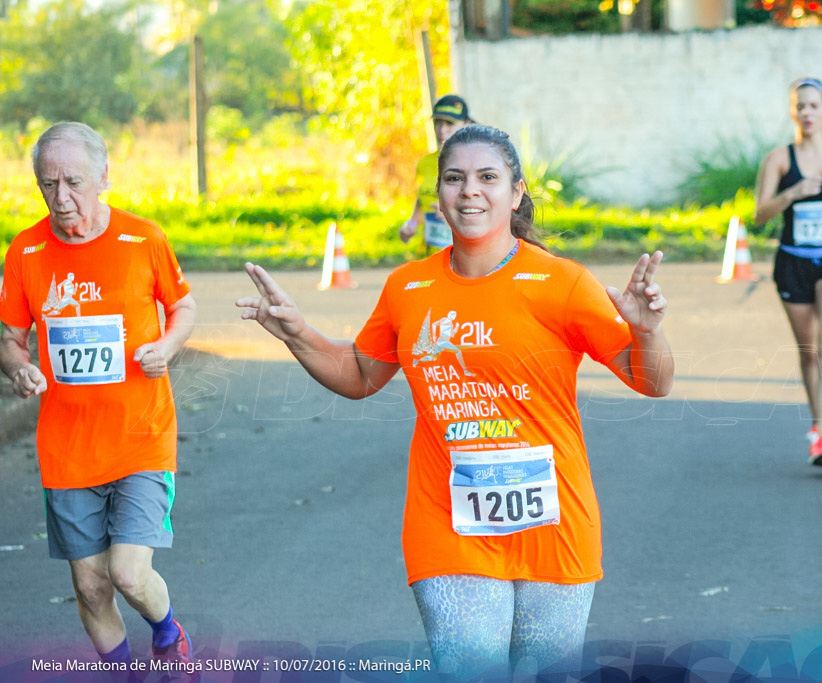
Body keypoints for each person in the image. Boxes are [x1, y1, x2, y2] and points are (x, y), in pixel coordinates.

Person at [237, 124, 674, 680]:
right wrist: (298, 334)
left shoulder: (561, 283)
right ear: (438, 194)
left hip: (555, 524)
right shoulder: (408, 288)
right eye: (455, 178)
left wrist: (648, 331)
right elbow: (360, 374)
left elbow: (651, 380)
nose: (470, 191)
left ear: (516, 193)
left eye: (488, 177)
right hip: (448, 525)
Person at [0, 122, 198, 671]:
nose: (62, 198)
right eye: (48, 184)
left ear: (104, 176)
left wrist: (168, 344)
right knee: (90, 587)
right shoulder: (26, 250)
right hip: (67, 450)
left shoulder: (144, 239)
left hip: (141, 439)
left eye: (73, 181)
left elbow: (184, 307)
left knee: (128, 574)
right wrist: (19, 369)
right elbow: (10, 339)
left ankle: (167, 631)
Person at [754, 78, 822, 468]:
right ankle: (820, 424)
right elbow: (760, 214)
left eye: (814, 105)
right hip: (793, 261)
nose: (807, 112)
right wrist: (794, 192)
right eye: (800, 106)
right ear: (792, 112)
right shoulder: (779, 159)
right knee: (808, 350)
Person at [399, 94, 474, 255]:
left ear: (466, 124)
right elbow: (423, 198)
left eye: (449, 123)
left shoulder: (477, 162)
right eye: (438, 122)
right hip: (429, 255)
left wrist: (453, 216)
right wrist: (411, 224)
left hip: (463, 258)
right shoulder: (425, 163)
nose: (441, 129)